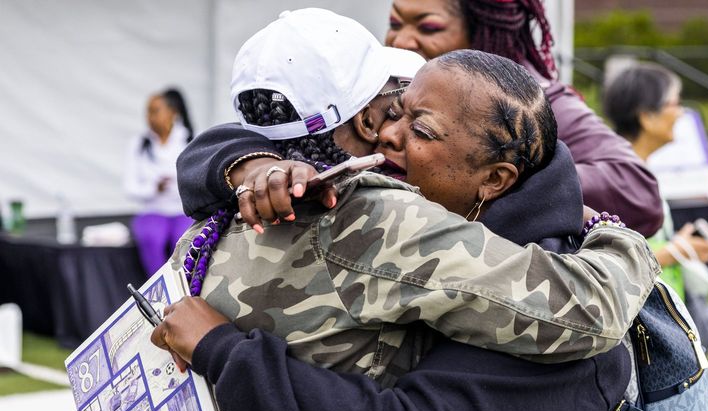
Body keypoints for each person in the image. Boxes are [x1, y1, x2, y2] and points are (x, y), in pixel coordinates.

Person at [153, 9, 678, 411]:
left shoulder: (507, 274)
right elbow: (213, 145)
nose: (388, 134)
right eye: (394, 111)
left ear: (496, 179)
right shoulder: (349, 202)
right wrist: (246, 163)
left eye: (417, 126)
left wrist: (615, 235)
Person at [175, 1, 662, 236]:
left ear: (481, 29)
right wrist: (255, 165)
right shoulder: (379, 107)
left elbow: (636, 190)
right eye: (394, 22)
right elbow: (216, 147)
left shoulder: (534, 105)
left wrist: (467, 176)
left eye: (427, 26)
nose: (403, 40)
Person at [603, 63, 708, 351]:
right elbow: (611, 259)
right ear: (646, 116)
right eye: (674, 103)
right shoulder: (619, 178)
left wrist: (679, 247)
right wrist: (677, 250)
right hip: (644, 328)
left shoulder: (632, 169)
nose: (681, 112)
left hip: (657, 318)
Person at [123, 88, 194, 276]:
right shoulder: (139, 143)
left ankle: (185, 289)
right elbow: (130, 187)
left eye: (155, 111)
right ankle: (160, 289)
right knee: (152, 238)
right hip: (152, 210)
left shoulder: (190, 140)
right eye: (147, 111)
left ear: (173, 112)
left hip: (183, 210)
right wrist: (154, 188)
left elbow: (197, 180)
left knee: (184, 240)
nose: (149, 117)